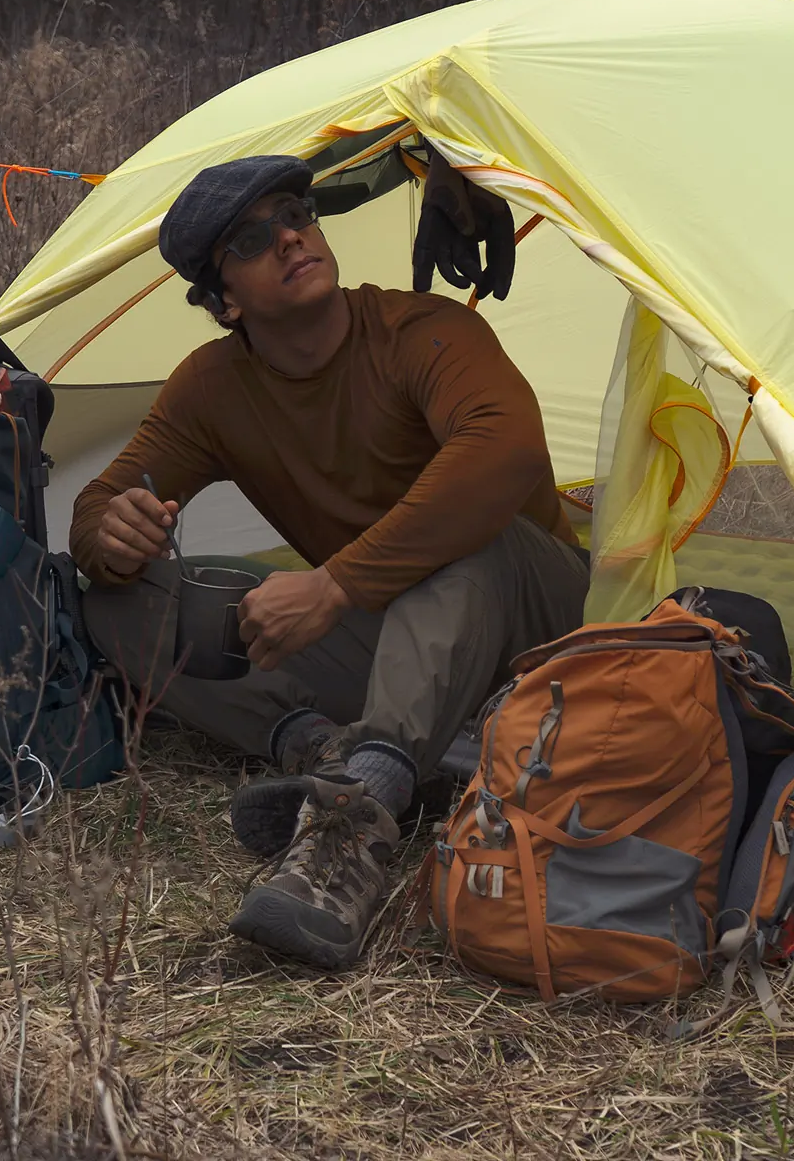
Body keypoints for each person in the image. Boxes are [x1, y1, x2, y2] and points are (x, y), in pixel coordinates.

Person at [71, 154, 587, 971]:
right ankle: (329, 747)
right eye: (253, 237)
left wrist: (337, 583)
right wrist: (111, 535)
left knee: (465, 531)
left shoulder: (424, 331)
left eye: (298, 215)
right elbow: (99, 507)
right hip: (396, 642)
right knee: (119, 603)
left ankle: (350, 824)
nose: (289, 237)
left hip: (533, 629)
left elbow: (507, 449)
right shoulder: (212, 388)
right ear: (224, 299)